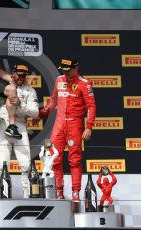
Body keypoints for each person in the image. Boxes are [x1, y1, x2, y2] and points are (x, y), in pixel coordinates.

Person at [33, 57, 96, 200]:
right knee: (53, 158)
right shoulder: (59, 80)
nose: (66, 74)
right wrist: (42, 114)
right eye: (64, 70)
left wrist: (89, 127)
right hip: (59, 123)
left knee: (75, 160)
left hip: (75, 124)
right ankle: (59, 191)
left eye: (69, 71)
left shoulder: (84, 83)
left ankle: (75, 192)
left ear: (76, 68)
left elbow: (91, 106)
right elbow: (53, 101)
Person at [0, 64, 39, 198]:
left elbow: (35, 113)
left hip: (20, 127)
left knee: (25, 165)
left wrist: (21, 103)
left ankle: (27, 196)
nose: (21, 78)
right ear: (13, 74)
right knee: (1, 165)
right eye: (19, 75)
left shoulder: (30, 91)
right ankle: (1, 196)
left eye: (23, 75)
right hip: (4, 126)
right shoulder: (4, 86)